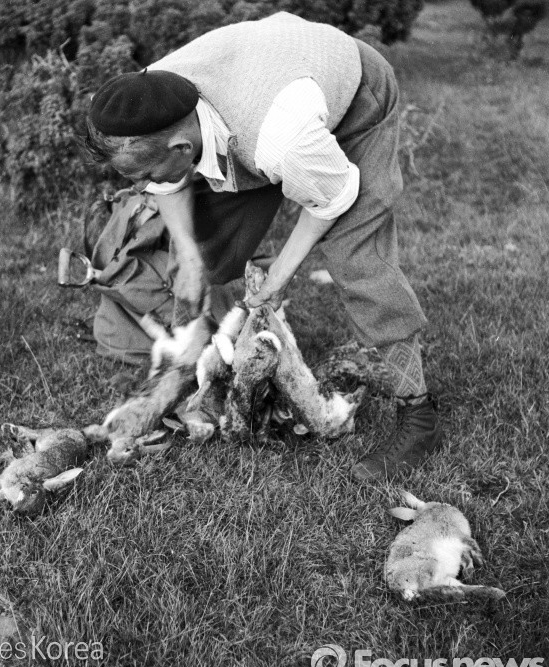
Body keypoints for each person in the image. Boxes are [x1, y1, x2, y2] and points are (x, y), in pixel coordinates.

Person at [83, 12, 442, 482]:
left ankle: (418, 414)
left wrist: (278, 277)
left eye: (147, 174)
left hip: (354, 99)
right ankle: (211, 362)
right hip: (263, 108)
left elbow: (334, 196)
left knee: (357, 257)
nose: (143, 185)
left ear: (181, 149)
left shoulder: (281, 140)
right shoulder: (150, 102)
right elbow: (166, 183)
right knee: (201, 242)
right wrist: (188, 252)